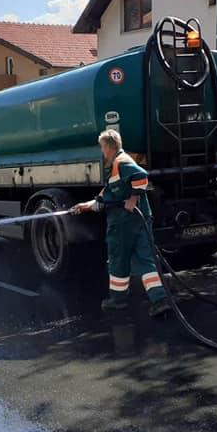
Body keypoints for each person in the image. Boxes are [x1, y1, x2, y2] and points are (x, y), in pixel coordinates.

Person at [71, 129, 171, 317]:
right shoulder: (117, 165)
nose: (102, 151)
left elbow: (141, 176)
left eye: (102, 147)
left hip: (124, 224)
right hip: (138, 221)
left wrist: (133, 198)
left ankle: (118, 301)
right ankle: (160, 301)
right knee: (146, 260)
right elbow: (108, 195)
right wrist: (85, 206)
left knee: (118, 261)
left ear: (108, 146)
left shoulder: (121, 162)